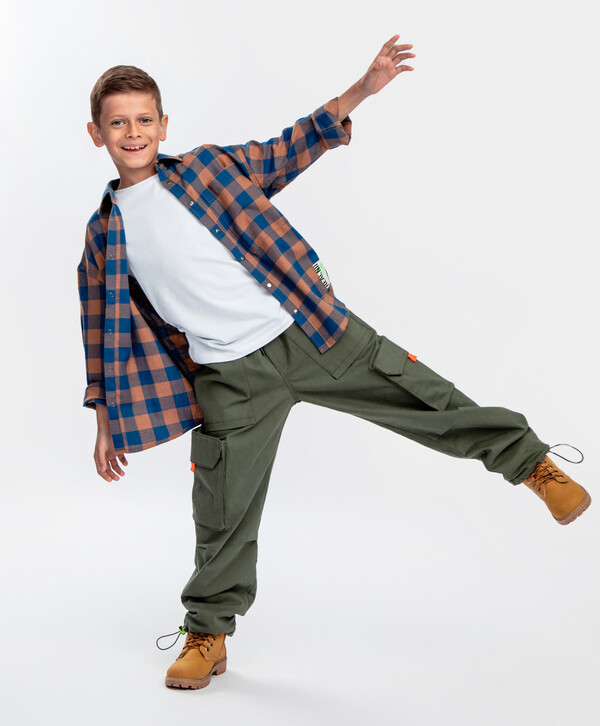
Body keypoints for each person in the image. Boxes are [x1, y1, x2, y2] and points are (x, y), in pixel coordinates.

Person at [79, 33, 591, 691]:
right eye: (118, 123)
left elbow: (286, 148)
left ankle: (531, 463)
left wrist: (362, 90)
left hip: (309, 331)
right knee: (221, 511)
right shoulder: (104, 233)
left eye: (144, 119)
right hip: (228, 379)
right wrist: (105, 419)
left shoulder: (209, 170)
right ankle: (207, 633)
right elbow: (100, 333)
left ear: (164, 124)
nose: (133, 132)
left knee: (421, 396)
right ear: (96, 134)